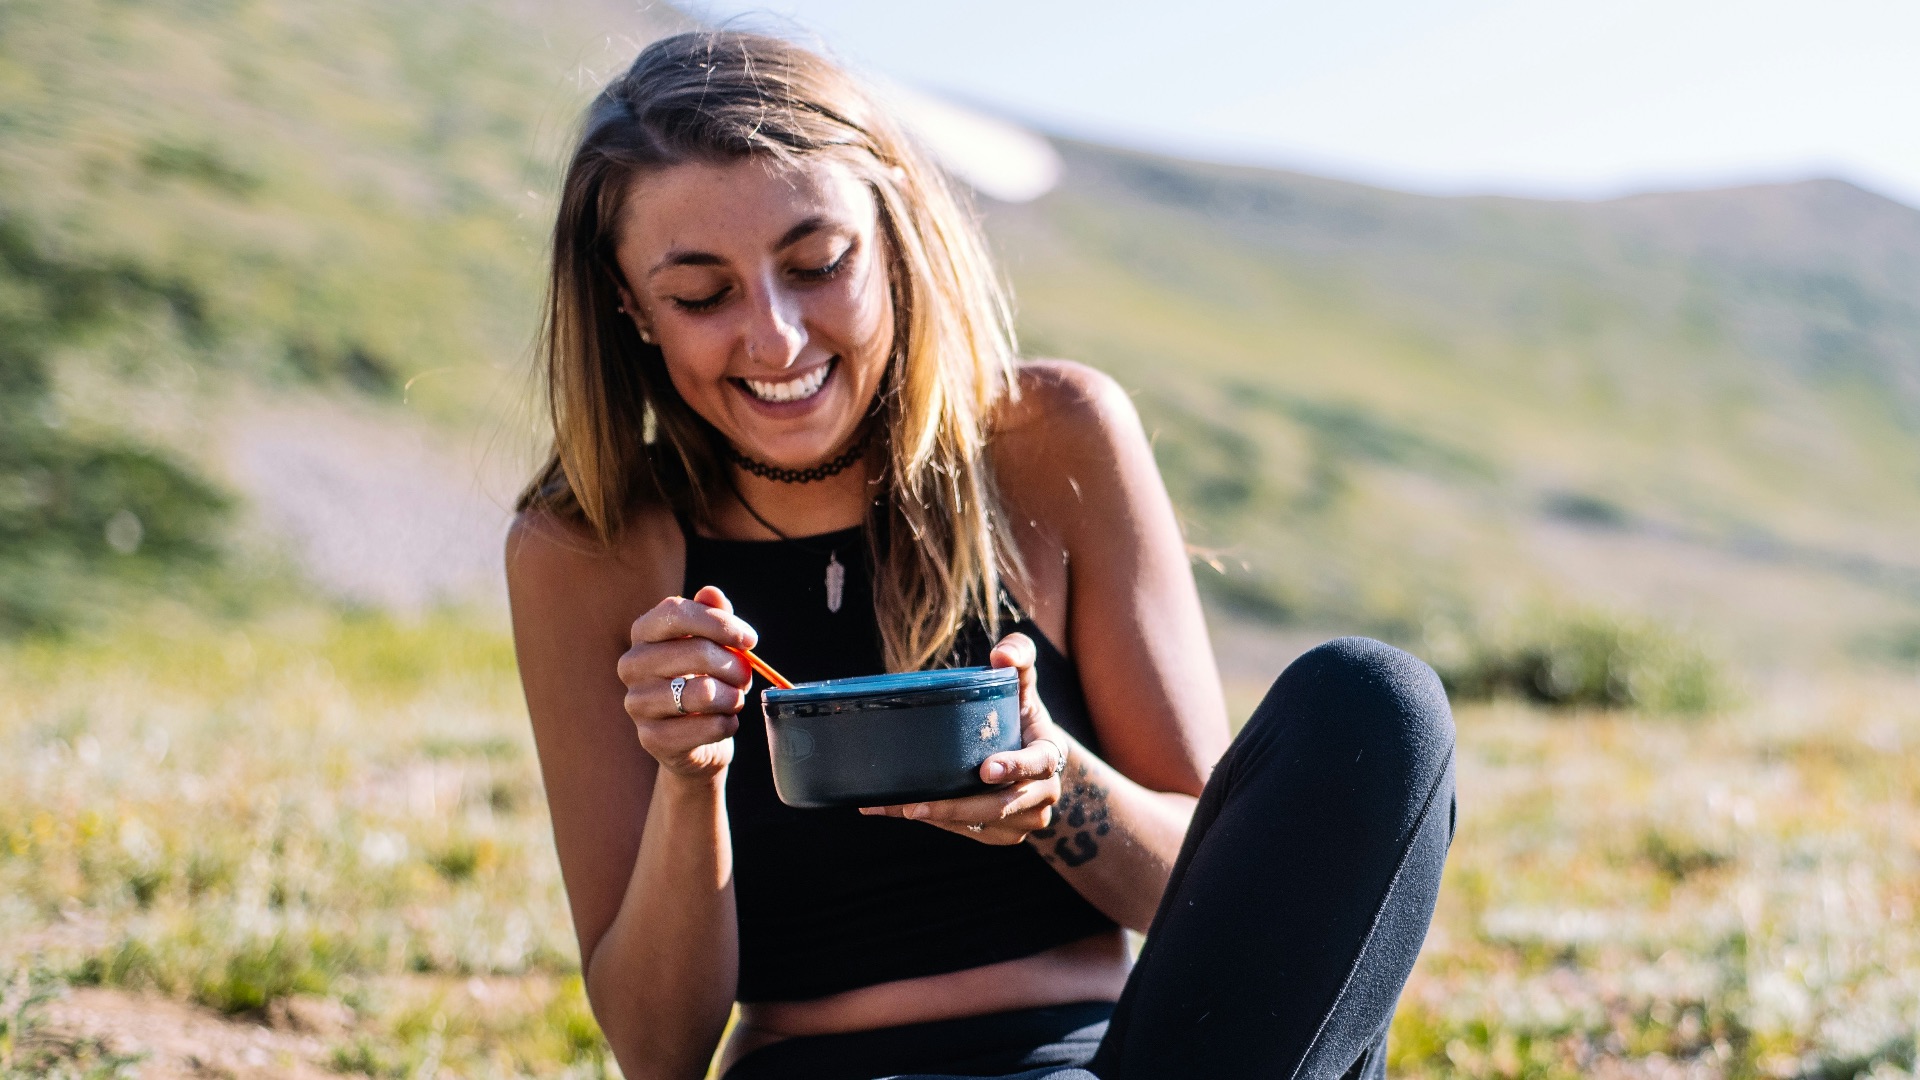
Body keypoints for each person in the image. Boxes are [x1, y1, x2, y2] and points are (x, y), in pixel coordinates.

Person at [505, 30, 1456, 1080]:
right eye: (702, 294)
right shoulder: (587, 549)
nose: (775, 340)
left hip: (1115, 1065)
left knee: (1373, 707)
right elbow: (656, 1048)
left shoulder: (1051, 439)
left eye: (817, 265)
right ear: (631, 307)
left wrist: (1057, 792)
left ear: (896, 235)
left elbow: (1215, 902)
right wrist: (690, 780)